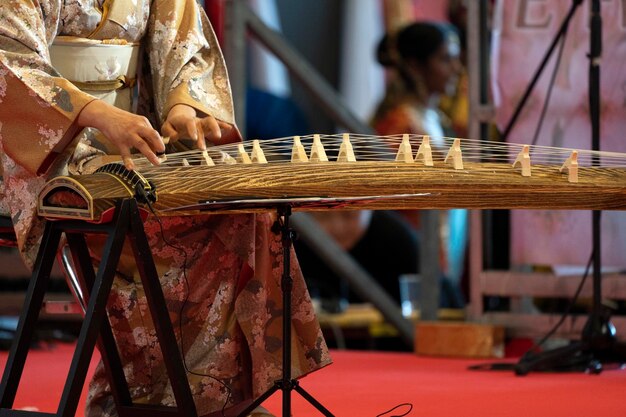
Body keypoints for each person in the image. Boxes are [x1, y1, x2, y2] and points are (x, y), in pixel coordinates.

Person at [0, 2, 330, 417]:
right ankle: (153, 395)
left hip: (131, 140)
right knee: (152, 221)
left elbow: (186, 49)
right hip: (47, 148)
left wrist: (181, 109)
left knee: (243, 212)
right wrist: (98, 113)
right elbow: (9, 60)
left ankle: (219, 397)